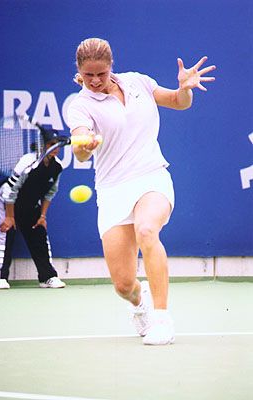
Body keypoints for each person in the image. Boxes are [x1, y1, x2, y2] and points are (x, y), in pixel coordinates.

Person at [67, 38, 216, 345]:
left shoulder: (139, 82)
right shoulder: (79, 105)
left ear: (112, 66)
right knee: (123, 285)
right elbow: (80, 149)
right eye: (89, 74)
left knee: (147, 230)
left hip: (151, 177)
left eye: (101, 73)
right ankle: (140, 302)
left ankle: (162, 319)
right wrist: (85, 146)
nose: (95, 80)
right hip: (112, 189)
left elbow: (177, 101)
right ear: (79, 71)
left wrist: (185, 88)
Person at [0, 129, 66, 290]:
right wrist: (10, 217)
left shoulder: (57, 166)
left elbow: (50, 193)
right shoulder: (28, 161)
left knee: (39, 233)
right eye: (51, 144)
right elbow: (10, 190)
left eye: (57, 145)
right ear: (41, 145)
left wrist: (42, 216)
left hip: (30, 204)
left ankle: (47, 277)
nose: (55, 148)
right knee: (7, 231)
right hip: (7, 200)